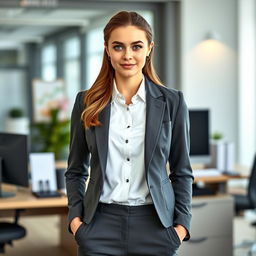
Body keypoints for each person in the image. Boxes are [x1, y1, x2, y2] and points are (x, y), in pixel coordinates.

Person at [65, 10, 194, 256]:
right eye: (118, 47)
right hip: (99, 225)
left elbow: (182, 171)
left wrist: (181, 227)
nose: (127, 56)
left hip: (156, 226)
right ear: (107, 49)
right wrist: (76, 222)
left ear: (149, 48)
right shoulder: (87, 102)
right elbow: (75, 170)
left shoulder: (172, 102)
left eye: (136, 46)